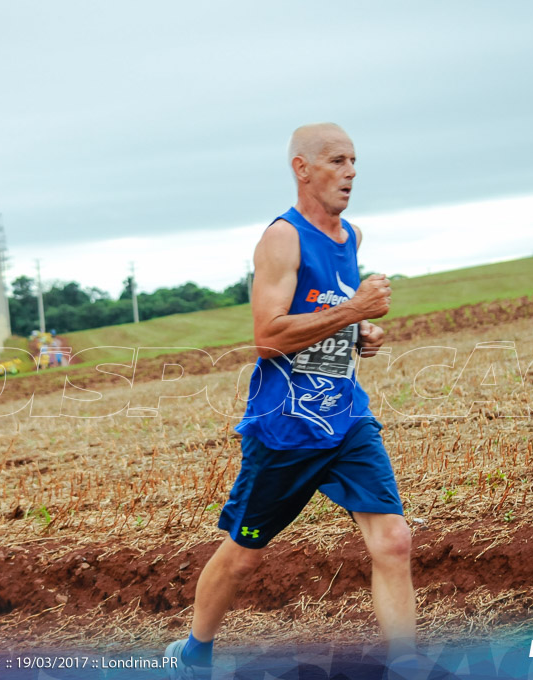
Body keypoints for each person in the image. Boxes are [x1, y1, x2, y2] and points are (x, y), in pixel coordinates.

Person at [166, 123, 415, 677]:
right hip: (286, 427)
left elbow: (325, 314)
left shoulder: (351, 237)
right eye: (337, 160)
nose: (351, 172)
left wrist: (358, 336)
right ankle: (194, 653)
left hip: (346, 416)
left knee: (393, 540)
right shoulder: (283, 237)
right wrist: (354, 313)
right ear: (302, 168)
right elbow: (268, 336)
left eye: (354, 160)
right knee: (244, 557)